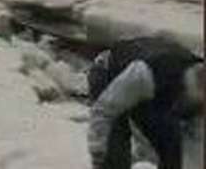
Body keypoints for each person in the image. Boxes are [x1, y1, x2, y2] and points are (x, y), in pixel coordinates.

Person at [87, 36, 203, 169]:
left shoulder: (196, 96)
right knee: (114, 154)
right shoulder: (146, 74)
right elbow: (103, 111)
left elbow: (194, 147)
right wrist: (99, 152)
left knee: (173, 148)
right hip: (109, 74)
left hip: (156, 93)